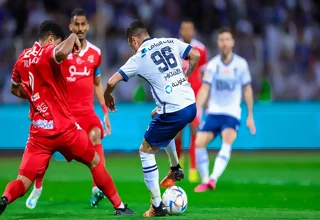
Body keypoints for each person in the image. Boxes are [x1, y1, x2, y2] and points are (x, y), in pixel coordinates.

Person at [0, 20, 135, 216]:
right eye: (58, 41)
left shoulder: (22, 58)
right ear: (51, 39)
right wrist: (73, 37)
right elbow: (60, 53)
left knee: (23, 180)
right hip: (65, 129)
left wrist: (35, 97)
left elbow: (14, 88)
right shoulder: (47, 51)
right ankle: (119, 206)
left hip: (39, 133)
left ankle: (4, 198)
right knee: (95, 162)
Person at [104, 20, 200, 217]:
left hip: (174, 109)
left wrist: (106, 96)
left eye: (131, 45)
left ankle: (157, 206)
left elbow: (112, 81)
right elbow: (195, 55)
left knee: (145, 151)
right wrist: (185, 77)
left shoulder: (139, 57)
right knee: (159, 119)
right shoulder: (170, 41)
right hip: (190, 104)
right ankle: (175, 167)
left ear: (134, 40)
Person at [26, 8, 111, 209]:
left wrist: (105, 112)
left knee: (96, 135)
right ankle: (37, 187)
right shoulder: (59, 52)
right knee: (45, 151)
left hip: (87, 111)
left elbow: (97, 84)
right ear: (70, 27)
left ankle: (96, 189)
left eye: (83, 24)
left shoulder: (95, 53)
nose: (80, 28)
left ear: (88, 26)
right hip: (62, 113)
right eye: (76, 24)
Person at [194, 27, 256, 192]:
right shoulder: (212, 65)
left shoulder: (241, 64)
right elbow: (205, 89)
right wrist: (198, 107)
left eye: (227, 39)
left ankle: (213, 179)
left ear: (233, 42)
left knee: (227, 142)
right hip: (214, 111)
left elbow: (247, 90)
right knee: (199, 143)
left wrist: (250, 115)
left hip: (232, 113)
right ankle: (205, 180)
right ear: (218, 43)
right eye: (221, 40)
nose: (224, 43)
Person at [176, 19, 208, 182]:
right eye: (184, 29)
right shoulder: (175, 48)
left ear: (193, 31)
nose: (187, 32)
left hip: (195, 96)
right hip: (179, 96)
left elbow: (203, 74)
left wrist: (205, 97)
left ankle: (193, 169)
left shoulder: (201, 49)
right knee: (178, 132)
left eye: (190, 29)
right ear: (181, 31)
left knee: (195, 131)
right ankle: (177, 165)